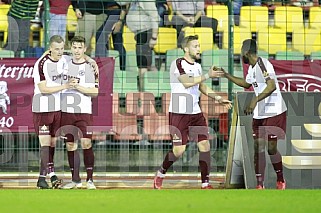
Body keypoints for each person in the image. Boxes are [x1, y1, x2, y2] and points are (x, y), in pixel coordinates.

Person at [153, 35, 232, 189]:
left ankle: (205, 183)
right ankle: (161, 173)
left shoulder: (197, 66)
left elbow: (201, 86)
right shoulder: (178, 63)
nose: (198, 49)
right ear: (186, 48)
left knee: (205, 146)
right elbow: (187, 82)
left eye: (199, 46)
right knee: (179, 150)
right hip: (178, 113)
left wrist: (218, 98)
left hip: (196, 113)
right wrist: (208, 75)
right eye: (195, 46)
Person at [215, 39, 287, 190]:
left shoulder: (263, 64)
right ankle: (260, 185)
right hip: (260, 112)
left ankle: (280, 180)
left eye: (241, 50)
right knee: (258, 146)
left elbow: (272, 86)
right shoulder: (252, 68)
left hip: (274, 111)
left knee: (271, 148)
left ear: (247, 52)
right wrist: (227, 75)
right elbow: (247, 84)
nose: (240, 54)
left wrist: (254, 100)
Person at [32, 35, 74, 189]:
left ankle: (50, 175)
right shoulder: (41, 64)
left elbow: (81, 55)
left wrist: (91, 62)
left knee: (52, 143)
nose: (60, 51)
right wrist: (65, 87)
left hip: (57, 108)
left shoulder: (64, 59)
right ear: (50, 48)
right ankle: (42, 178)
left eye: (62, 48)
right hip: (42, 107)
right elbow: (43, 89)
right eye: (56, 49)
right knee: (44, 143)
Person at [61, 36, 99, 190]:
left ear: (85, 49)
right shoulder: (64, 63)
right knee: (70, 145)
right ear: (71, 48)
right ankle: (75, 180)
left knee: (86, 143)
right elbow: (48, 53)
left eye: (80, 47)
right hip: (66, 111)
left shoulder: (90, 67)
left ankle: (89, 180)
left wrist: (77, 86)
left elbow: (95, 92)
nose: (77, 50)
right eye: (74, 47)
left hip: (83, 111)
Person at [126, 0, 159, 91]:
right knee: (146, 64)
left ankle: (143, 91)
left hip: (145, 33)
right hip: (140, 34)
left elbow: (154, 16)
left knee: (143, 65)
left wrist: (154, 37)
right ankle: (149, 90)